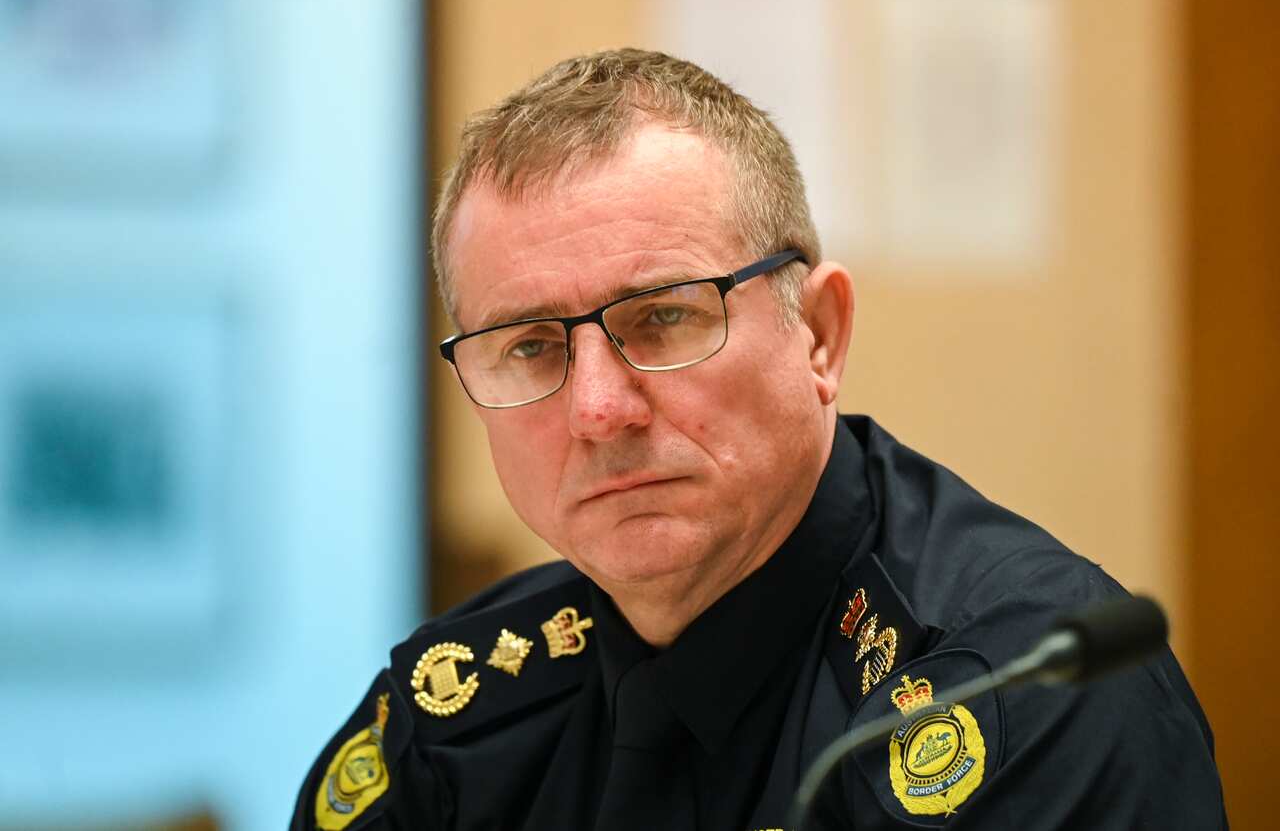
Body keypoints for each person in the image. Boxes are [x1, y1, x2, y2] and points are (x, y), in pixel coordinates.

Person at [291, 49, 1225, 830]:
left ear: (819, 334)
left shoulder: (1032, 697)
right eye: (531, 346)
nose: (599, 410)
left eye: (661, 318)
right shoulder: (453, 715)